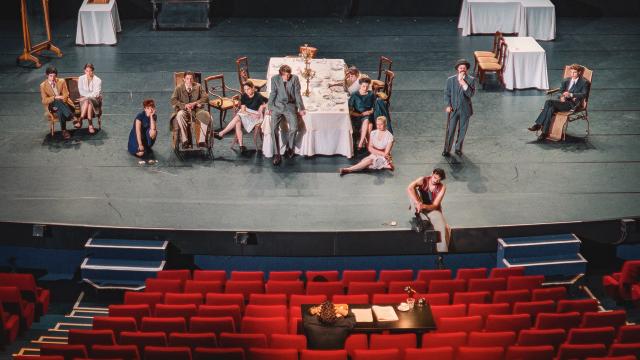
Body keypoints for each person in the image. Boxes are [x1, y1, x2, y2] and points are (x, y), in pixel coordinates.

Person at [528, 64, 590, 140]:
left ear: (579, 72)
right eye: (571, 72)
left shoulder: (583, 82)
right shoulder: (566, 80)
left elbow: (584, 94)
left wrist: (571, 94)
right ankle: (544, 132)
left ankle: (538, 124)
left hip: (572, 105)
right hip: (562, 103)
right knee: (550, 109)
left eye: (574, 72)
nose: (572, 74)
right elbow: (560, 92)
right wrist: (561, 97)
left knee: (548, 102)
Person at [214, 81, 268, 153]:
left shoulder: (258, 95)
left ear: (253, 88)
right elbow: (243, 110)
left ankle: (222, 134)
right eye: (245, 89)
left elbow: (269, 102)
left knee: (237, 118)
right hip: (247, 113)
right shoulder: (244, 96)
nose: (246, 91)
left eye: (248, 89)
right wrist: (249, 114)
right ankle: (241, 146)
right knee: (238, 120)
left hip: (256, 116)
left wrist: (262, 106)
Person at [267, 64, 305, 166]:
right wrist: (269, 106)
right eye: (285, 76)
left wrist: (301, 108)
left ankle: (290, 146)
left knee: (294, 127)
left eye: (289, 75)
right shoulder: (275, 79)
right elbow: (273, 93)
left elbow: (297, 94)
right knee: (273, 129)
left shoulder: (295, 79)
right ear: (281, 74)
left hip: (290, 106)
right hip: (277, 106)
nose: (288, 77)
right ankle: (277, 154)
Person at [407, 168, 449, 252]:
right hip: (419, 204)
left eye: (438, 180)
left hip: (432, 209)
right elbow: (409, 188)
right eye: (435, 177)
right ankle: (422, 219)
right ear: (432, 174)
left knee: (442, 228)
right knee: (412, 198)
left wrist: (423, 206)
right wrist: (418, 203)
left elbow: (435, 205)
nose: (436, 180)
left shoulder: (442, 187)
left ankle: (442, 253)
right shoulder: (423, 180)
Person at [170, 72, 212, 148]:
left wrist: (195, 103)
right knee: (179, 115)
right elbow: (173, 100)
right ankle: (185, 140)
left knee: (206, 115)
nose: (189, 80)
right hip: (184, 110)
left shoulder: (198, 86)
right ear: (184, 79)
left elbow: (206, 98)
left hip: (197, 110)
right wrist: (184, 105)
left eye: (191, 79)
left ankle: (201, 141)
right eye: (187, 79)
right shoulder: (179, 88)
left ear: (193, 79)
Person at [443, 59, 476, 157]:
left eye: (464, 68)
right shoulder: (450, 80)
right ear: (457, 69)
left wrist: (463, 83)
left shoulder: (471, 80)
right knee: (450, 129)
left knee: (462, 130)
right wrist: (448, 105)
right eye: (461, 68)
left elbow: (470, 94)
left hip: (465, 110)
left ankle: (458, 148)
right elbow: (447, 94)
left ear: (466, 70)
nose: (462, 69)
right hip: (453, 109)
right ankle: (447, 149)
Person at [40, 66, 76, 140]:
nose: (53, 78)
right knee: (56, 100)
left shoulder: (61, 81)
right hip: (52, 106)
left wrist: (62, 99)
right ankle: (71, 117)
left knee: (60, 109)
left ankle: (64, 131)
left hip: (64, 103)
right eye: (50, 76)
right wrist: (54, 98)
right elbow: (44, 100)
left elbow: (66, 94)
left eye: (54, 76)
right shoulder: (43, 85)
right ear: (47, 75)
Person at [77, 63, 102, 134]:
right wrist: (88, 97)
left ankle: (80, 119)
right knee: (88, 101)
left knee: (89, 100)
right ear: (84, 71)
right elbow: (81, 91)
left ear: (93, 71)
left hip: (95, 101)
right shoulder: (81, 78)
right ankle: (90, 125)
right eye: (87, 71)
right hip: (84, 101)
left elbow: (96, 93)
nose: (88, 73)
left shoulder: (98, 80)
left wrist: (86, 97)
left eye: (90, 71)